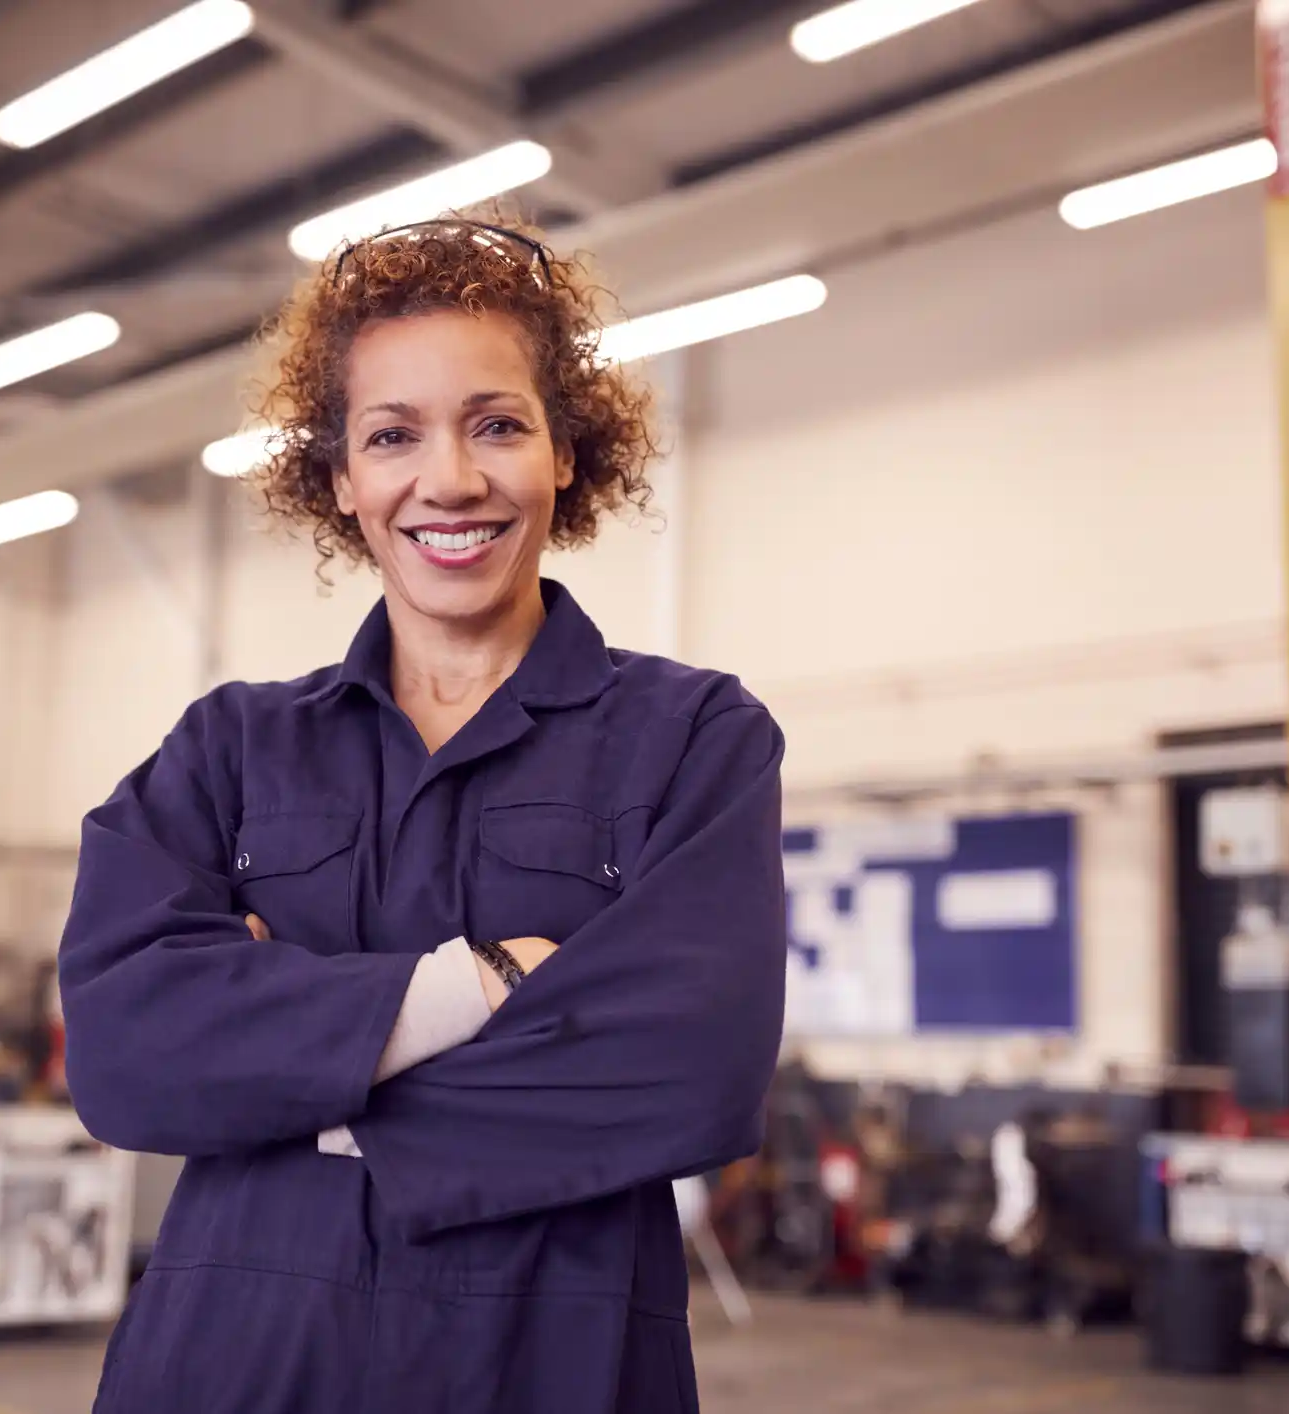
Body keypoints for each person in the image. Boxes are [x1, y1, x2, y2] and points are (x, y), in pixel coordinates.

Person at [58, 216, 788, 1413]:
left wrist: (294, 1077)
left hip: (556, 1362)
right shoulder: (230, 751)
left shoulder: (695, 739)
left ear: (566, 451)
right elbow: (127, 1052)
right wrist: (485, 987)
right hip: (235, 1359)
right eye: (392, 435)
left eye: (498, 424)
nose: (448, 480)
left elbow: (691, 1065)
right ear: (341, 479)